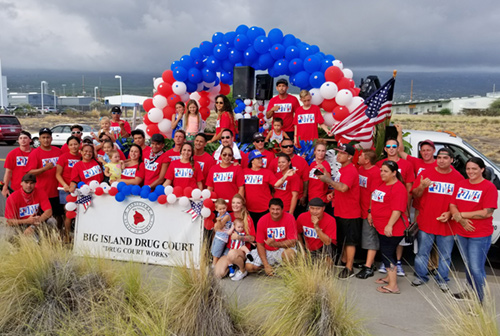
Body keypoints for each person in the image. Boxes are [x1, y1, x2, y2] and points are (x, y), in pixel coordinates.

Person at [411, 148, 464, 291]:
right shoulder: (426, 173)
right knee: (423, 252)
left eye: (445, 158)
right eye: (439, 157)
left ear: (452, 160)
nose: (441, 160)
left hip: (447, 224)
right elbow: (415, 194)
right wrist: (422, 186)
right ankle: (421, 276)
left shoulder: (458, 178)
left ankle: (442, 279)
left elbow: (461, 202)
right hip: (427, 221)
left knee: (445, 255)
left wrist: (449, 213)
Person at [449, 157, 497, 302]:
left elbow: (487, 212)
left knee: (476, 268)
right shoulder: (461, 184)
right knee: (468, 265)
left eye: (474, 168)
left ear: (482, 169)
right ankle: (470, 291)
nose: (470, 171)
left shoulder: (489, 187)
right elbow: (452, 204)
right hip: (462, 232)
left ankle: (480, 301)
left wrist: (460, 215)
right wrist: (461, 220)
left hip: (480, 234)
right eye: (468, 168)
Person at [319, 143, 361, 279]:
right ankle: (343, 262)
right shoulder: (343, 169)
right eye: (338, 152)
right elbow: (341, 189)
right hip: (341, 209)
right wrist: (334, 194)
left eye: (342, 153)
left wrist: (328, 180)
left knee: (349, 241)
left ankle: (349, 267)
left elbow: (344, 188)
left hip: (350, 212)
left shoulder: (350, 170)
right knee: (343, 239)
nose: (338, 155)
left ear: (349, 157)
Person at [376, 138, 415, 276]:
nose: (391, 148)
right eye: (388, 146)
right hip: (385, 210)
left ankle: (396, 262)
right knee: (387, 244)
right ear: (385, 149)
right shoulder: (379, 165)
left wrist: (407, 207)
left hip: (398, 207)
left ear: (398, 148)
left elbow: (409, 187)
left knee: (395, 238)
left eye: (394, 146)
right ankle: (388, 263)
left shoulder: (407, 165)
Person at [369, 160, 408, 294]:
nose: (382, 173)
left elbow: (397, 210)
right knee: (386, 252)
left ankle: (393, 285)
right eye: (381, 170)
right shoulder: (383, 183)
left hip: (392, 228)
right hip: (381, 226)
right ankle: (389, 277)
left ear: (394, 173)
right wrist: (371, 214)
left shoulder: (398, 188)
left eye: (385, 171)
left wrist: (389, 225)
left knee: (387, 254)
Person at [246, 198, 298, 276]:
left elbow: (293, 241)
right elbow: (260, 244)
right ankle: (269, 267)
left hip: (282, 249)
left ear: (282, 209)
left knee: (290, 254)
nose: (275, 212)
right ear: (269, 209)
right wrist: (266, 264)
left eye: (278, 209)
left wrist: (275, 244)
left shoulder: (289, 218)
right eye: (272, 209)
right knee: (249, 267)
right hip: (267, 250)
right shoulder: (262, 220)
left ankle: (284, 267)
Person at [26, 127, 63, 231]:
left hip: (57, 190)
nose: (46, 140)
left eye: (48, 137)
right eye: (43, 137)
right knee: (42, 217)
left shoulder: (58, 151)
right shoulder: (35, 153)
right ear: (39, 139)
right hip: (42, 192)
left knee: (58, 215)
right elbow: (30, 171)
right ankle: (42, 236)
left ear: (51, 139)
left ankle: (58, 236)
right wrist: (45, 169)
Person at [213, 194, 256, 280]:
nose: (235, 205)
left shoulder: (246, 218)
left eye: (238, 203)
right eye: (233, 203)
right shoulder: (228, 216)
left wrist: (239, 237)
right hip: (228, 249)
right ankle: (233, 265)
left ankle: (242, 269)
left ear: (242, 205)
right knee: (219, 273)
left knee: (232, 254)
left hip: (241, 249)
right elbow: (217, 229)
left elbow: (253, 238)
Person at [244, 150, 290, 227]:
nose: (261, 160)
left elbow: (276, 184)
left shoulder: (267, 172)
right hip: (249, 209)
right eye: (258, 158)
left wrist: (286, 175)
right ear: (252, 161)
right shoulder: (244, 172)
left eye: (261, 158)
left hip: (265, 208)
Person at [355, 149, 383, 279]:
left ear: (367, 160)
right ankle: (368, 262)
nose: (358, 157)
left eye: (360, 156)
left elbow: (374, 194)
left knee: (371, 238)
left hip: (369, 211)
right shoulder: (361, 169)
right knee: (365, 237)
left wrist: (371, 212)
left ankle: (368, 267)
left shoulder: (375, 172)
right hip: (360, 210)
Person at [269, 138, 309, 217]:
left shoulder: (300, 163)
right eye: (285, 146)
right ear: (281, 148)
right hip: (277, 206)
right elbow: (272, 183)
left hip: (291, 203)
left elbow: (305, 180)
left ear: (289, 163)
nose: (288, 148)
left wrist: (304, 196)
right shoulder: (275, 166)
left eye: (290, 146)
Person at [55, 136, 82, 242]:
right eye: (71, 145)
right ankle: (66, 235)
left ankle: (76, 234)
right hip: (64, 189)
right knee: (68, 212)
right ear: (68, 146)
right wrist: (65, 185)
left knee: (78, 212)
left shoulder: (82, 156)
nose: (73, 146)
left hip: (78, 188)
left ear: (79, 144)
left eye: (75, 144)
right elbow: (58, 174)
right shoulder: (63, 157)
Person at [296, 197, 337, 262]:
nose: (314, 212)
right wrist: (303, 250)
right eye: (312, 208)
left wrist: (317, 227)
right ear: (309, 208)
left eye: (318, 209)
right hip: (308, 247)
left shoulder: (330, 220)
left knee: (328, 260)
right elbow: (297, 233)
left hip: (323, 247)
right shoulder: (302, 217)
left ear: (323, 208)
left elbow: (327, 242)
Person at [206, 146, 244, 211]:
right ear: (220, 155)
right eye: (224, 154)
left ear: (232, 157)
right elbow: (210, 188)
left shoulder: (237, 168)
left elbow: (241, 188)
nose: (227, 157)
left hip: (232, 207)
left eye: (229, 155)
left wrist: (239, 204)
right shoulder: (213, 169)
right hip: (218, 207)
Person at [3, 131, 32, 197]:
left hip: (33, 187)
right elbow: (8, 172)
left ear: (30, 140)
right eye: (20, 138)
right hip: (16, 188)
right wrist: (5, 187)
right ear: (18, 141)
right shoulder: (12, 154)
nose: (23, 140)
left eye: (25, 138)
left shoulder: (35, 152)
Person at [307, 140, 332, 213]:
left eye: (323, 151)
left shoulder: (326, 164)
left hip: (321, 199)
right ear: (314, 151)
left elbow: (329, 181)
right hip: (311, 197)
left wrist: (324, 170)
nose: (321, 153)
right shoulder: (312, 164)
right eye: (319, 150)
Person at [211, 199, 233, 267]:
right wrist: (216, 225)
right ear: (216, 209)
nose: (222, 210)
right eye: (220, 209)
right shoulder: (219, 214)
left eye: (224, 208)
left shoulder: (226, 216)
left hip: (222, 237)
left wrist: (218, 222)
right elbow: (216, 228)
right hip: (218, 235)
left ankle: (214, 266)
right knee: (214, 250)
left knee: (216, 253)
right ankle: (214, 264)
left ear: (226, 207)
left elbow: (220, 227)